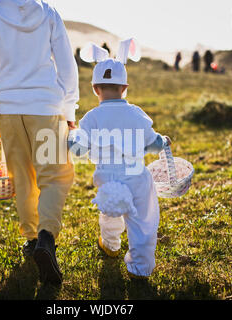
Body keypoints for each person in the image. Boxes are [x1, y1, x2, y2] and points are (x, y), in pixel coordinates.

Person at [0, 0, 79, 286]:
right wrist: (70, 107)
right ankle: (46, 237)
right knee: (56, 175)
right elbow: (66, 63)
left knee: (22, 177)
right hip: (46, 107)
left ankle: (30, 238)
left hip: (10, 110)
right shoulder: (48, 14)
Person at [69, 41, 171, 279]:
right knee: (143, 221)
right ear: (124, 88)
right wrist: (163, 142)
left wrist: (69, 139)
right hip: (136, 177)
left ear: (95, 89)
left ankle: (110, 245)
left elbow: (78, 150)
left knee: (110, 212)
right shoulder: (136, 114)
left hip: (108, 178)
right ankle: (140, 268)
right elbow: (152, 143)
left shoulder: (91, 118)